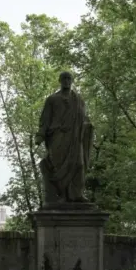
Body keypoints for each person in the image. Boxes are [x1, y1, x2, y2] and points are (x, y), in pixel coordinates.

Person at [35, 72, 93, 204]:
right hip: (58, 136)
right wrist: (40, 135)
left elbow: (84, 118)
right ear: (60, 81)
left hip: (75, 138)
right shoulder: (52, 99)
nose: (67, 81)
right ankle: (61, 195)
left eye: (69, 79)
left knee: (79, 164)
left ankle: (76, 194)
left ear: (72, 81)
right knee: (58, 166)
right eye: (64, 79)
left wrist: (87, 125)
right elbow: (45, 119)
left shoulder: (79, 99)